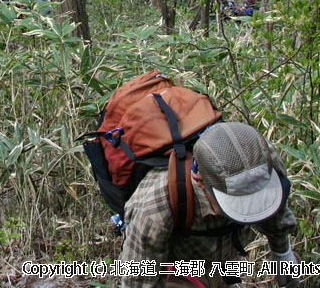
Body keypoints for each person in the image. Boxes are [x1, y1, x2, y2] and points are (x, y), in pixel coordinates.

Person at [120, 122, 299, 288]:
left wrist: (282, 254)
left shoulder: (262, 158)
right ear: (201, 182)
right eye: (238, 204)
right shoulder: (155, 207)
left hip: (223, 259)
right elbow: (137, 280)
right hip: (177, 267)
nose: (249, 210)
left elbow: (275, 212)